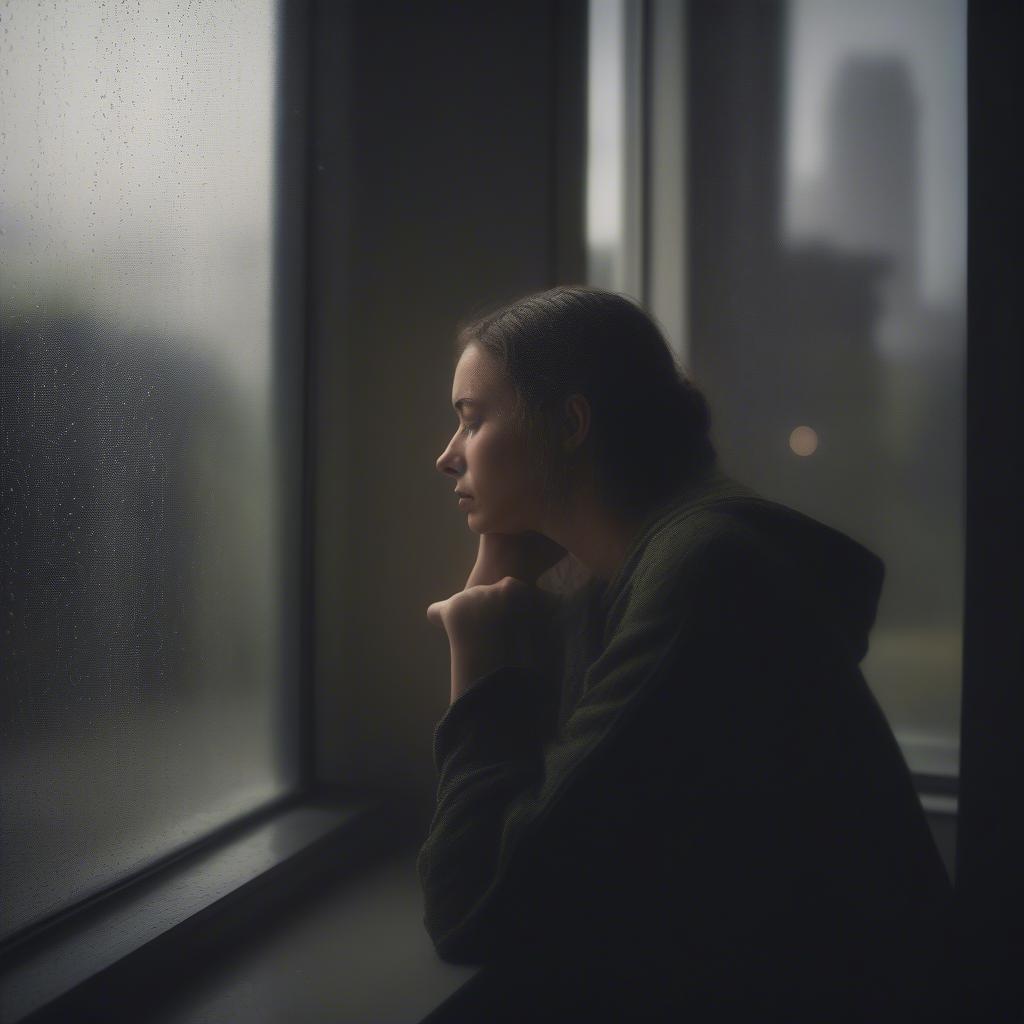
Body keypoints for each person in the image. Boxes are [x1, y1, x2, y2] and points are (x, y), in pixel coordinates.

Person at [417, 285, 954, 1022]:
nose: (447, 456)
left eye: (472, 422)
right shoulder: (659, 566)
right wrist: (498, 584)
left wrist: (481, 670)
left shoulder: (702, 580)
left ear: (571, 422)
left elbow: (471, 903)